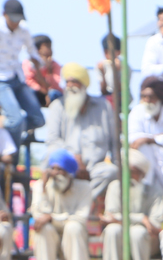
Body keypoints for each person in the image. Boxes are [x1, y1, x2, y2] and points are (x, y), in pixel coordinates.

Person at [42, 62, 118, 201]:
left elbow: (114, 142)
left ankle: (84, 202)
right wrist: (72, 159)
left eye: (75, 82)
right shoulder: (58, 106)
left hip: (94, 169)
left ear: (84, 84)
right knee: (50, 161)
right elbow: (52, 141)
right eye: (67, 82)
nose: (70, 86)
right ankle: (79, 204)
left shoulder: (104, 107)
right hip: (65, 165)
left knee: (111, 171)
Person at [101, 150, 163, 260]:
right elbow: (112, 216)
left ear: (142, 174)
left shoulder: (154, 191)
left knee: (137, 232)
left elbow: (155, 223)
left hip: (147, 241)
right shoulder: (115, 187)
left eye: (133, 172)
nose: (129, 176)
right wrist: (141, 218)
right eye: (126, 171)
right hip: (120, 238)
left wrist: (135, 221)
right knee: (112, 230)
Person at [30, 150, 91, 260]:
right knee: (43, 228)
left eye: (60, 169)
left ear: (69, 172)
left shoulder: (84, 187)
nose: (55, 173)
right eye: (53, 168)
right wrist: (44, 190)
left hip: (73, 239)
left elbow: (80, 217)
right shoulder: (41, 185)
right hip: (52, 240)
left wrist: (52, 218)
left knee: (73, 227)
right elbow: (38, 215)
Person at [0, 0, 46, 143]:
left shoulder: (24, 30)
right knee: (16, 120)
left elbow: (33, 53)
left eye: (18, 19)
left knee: (38, 120)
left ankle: (8, 126)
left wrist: (41, 71)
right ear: (4, 15)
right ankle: (12, 153)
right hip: (2, 80)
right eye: (13, 19)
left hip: (18, 77)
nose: (16, 23)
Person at [23, 33, 60, 107]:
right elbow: (29, 81)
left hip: (51, 93)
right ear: (37, 49)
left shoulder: (54, 65)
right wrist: (43, 91)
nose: (50, 50)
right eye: (47, 47)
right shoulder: (28, 63)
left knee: (54, 94)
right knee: (29, 92)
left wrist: (49, 70)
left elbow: (55, 84)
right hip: (37, 92)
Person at [96, 34, 121, 101]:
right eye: (105, 52)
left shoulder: (124, 66)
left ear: (119, 52)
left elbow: (120, 89)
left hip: (121, 98)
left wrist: (117, 71)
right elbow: (103, 91)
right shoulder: (102, 65)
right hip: (106, 98)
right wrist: (103, 73)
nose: (107, 55)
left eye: (109, 51)